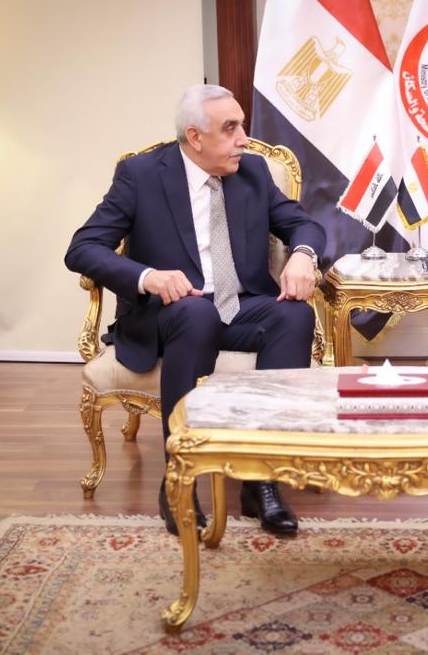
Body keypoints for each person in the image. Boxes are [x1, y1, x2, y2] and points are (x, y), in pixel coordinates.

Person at [65, 85, 326, 536]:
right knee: (196, 313)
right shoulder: (142, 175)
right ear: (195, 136)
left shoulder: (252, 172)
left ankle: (259, 480)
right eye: (231, 128)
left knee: (294, 315)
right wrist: (148, 276)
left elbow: (303, 224)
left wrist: (302, 255)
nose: (243, 138)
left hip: (238, 307)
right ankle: (178, 480)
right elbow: (83, 248)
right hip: (167, 315)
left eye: (242, 126)